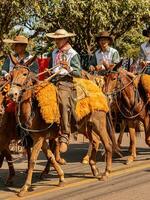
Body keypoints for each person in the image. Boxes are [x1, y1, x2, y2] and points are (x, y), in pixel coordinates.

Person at [46, 29, 81, 152]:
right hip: (53, 81)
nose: (57, 41)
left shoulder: (73, 54)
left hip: (66, 83)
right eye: (56, 39)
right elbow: (50, 67)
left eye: (59, 39)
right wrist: (48, 71)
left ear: (66, 39)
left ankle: (65, 135)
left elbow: (78, 73)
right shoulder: (53, 53)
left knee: (62, 101)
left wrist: (69, 67)